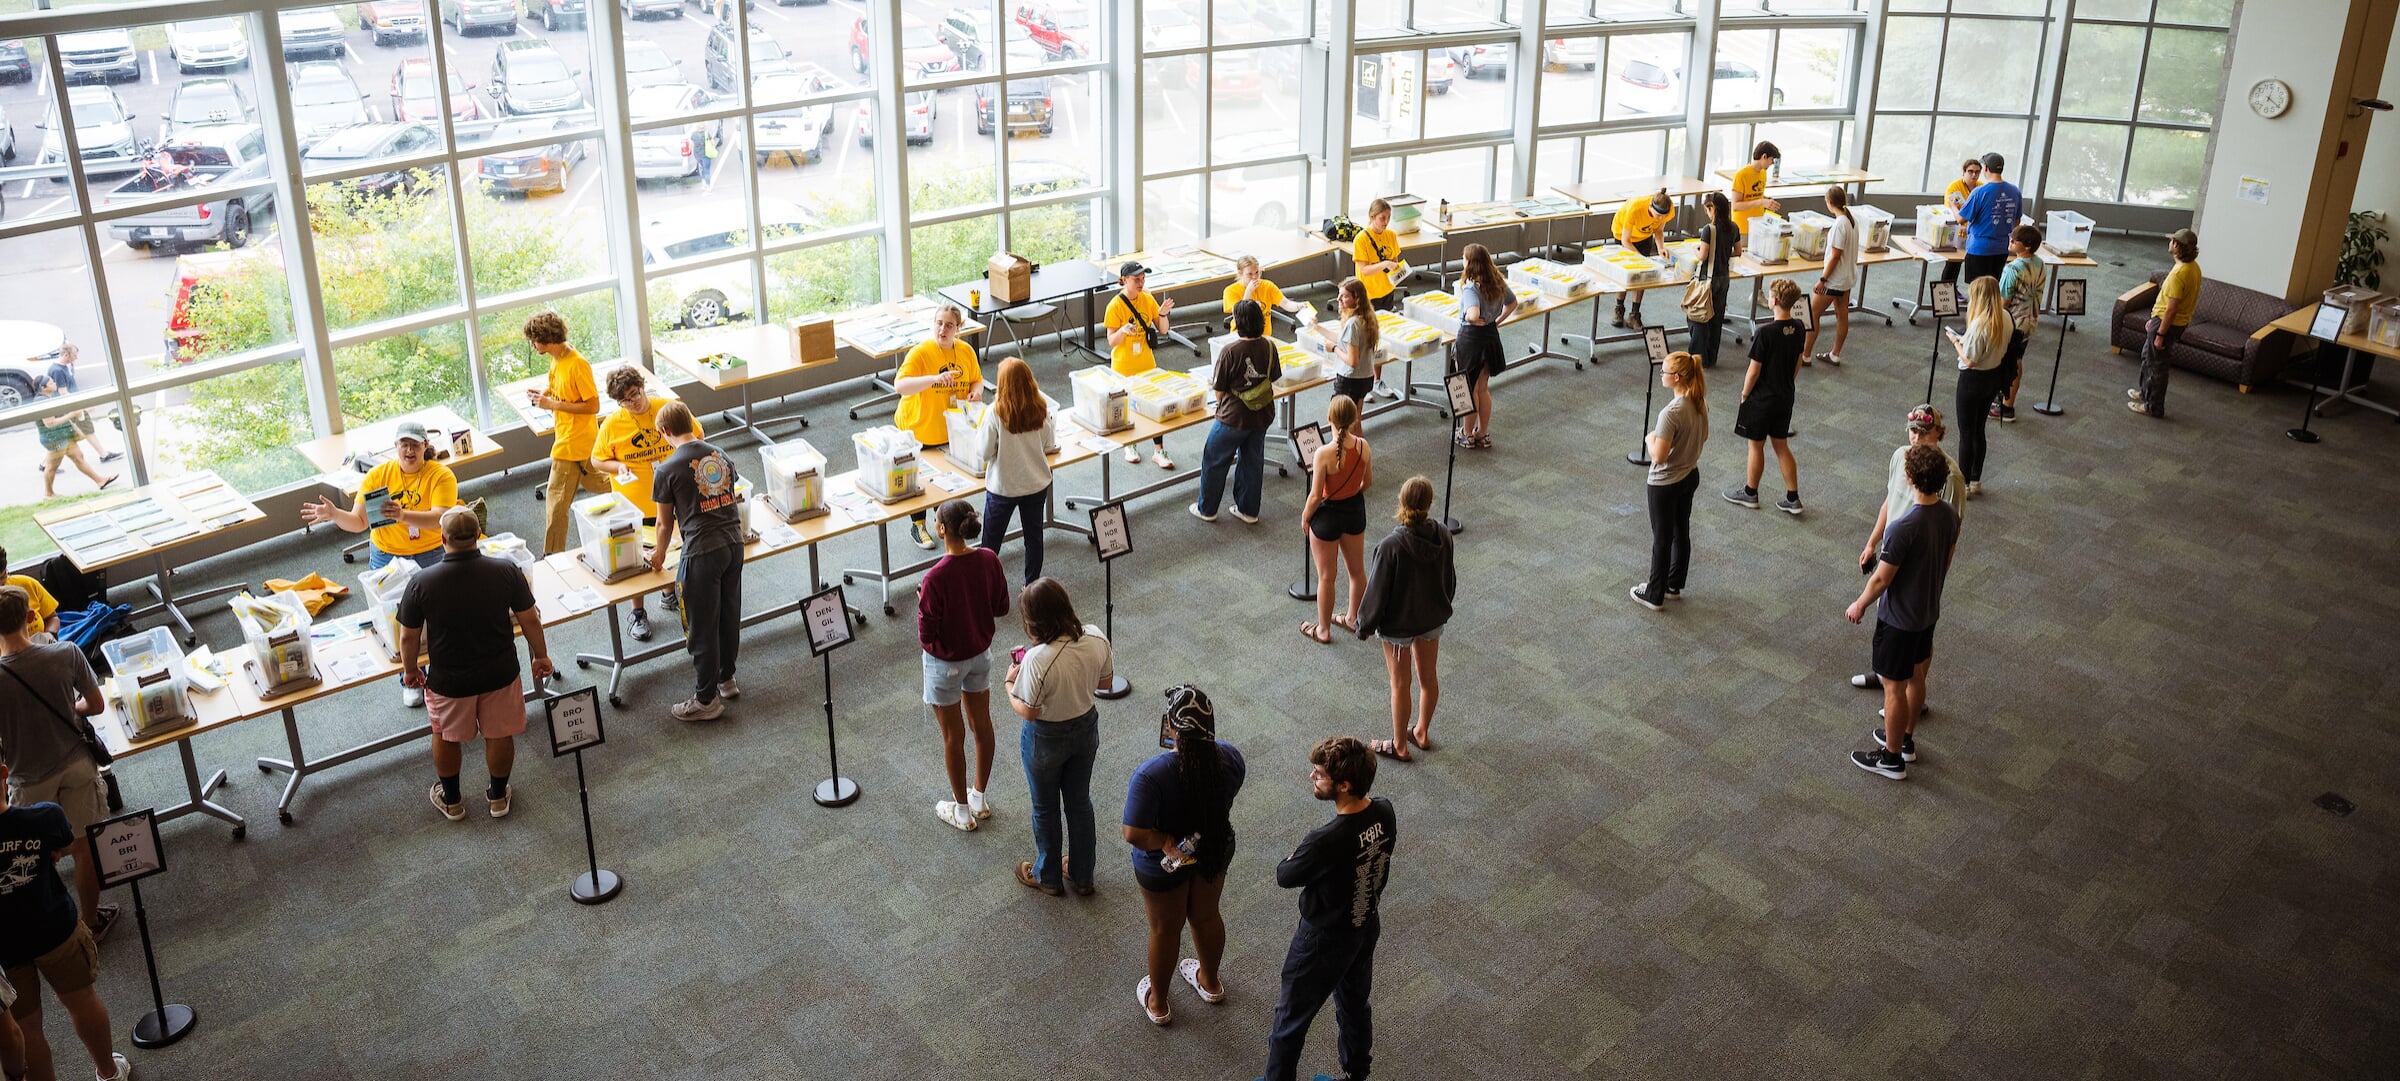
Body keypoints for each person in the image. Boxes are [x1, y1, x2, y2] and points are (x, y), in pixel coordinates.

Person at [398, 507, 554, 821]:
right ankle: (497, 797)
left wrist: (410, 669)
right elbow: (530, 620)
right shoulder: (506, 571)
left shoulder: (421, 582)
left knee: (444, 735)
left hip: (449, 681)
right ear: (478, 536)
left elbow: (408, 637)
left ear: (442, 538)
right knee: (499, 733)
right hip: (500, 674)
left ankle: (452, 800)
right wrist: (540, 655)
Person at [1261, 736, 1397, 1081]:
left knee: (1290, 1019)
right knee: (1353, 1006)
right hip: (1364, 924)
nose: (1311, 777)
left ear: (1344, 785)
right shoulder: (1384, 810)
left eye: (1319, 774)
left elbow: (1284, 874)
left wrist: (1297, 856)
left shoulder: (1325, 840)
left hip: (1322, 940)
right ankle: (1356, 1073)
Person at [299, 421, 457, 707]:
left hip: (430, 551)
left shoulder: (440, 475)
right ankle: (410, 678)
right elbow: (359, 522)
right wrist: (335, 514)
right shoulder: (378, 476)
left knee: (437, 617)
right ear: (396, 447)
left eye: (415, 445)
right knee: (396, 620)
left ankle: (439, 675)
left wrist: (402, 515)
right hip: (387, 555)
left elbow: (440, 519)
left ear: (425, 447)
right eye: (404, 444)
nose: (409, 450)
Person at [0, 761, 132, 1081]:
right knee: (82, 1000)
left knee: (27, 1028)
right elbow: (62, 846)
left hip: (5, 948)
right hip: (55, 928)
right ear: (4, 772)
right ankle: (109, 1073)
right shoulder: (44, 817)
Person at [1121, 685, 1244, 1026]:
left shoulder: (1151, 775)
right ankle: (1211, 981)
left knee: (1165, 930)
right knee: (1206, 916)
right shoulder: (1231, 758)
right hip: (1214, 848)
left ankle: (1158, 1003)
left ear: (1172, 729)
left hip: (1164, 867)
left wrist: (1164, 841)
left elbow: (1133, 833)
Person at [0, 586, 115, 948]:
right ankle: (92, 921)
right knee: (85, 849)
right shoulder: (66, 653)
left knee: (34, 857)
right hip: (76, 765)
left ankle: (50, 929)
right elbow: (94, 705)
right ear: (30, 618)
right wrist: (71, 710)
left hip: (27, 781)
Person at [1845, 443, 1961, 780]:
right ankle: (1906, 741)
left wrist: (1859, 604)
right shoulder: (1949, 515)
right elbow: (1946, 560)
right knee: (1916, 677)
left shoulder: (1903, 528)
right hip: (1927, 613)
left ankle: (1891, 758)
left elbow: (1881, 579)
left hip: (1898, 620)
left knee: (1893, 688)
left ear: (1910, 478)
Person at [1004, 578, 1111, 897]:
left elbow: (1029, 711)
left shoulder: (1036, 659)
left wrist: (1010, 685)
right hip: (1085, 728)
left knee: (1045, 807)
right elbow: (1104, 684)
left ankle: (1047, 876)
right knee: (1079, 802)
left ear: (1032, 621)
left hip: (1045, 738)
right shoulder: (1095, 636)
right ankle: (1082, 874)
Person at [1850, 405, 1966, 698]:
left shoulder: (1949, 476)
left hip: (1920, 564)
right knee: (1889, 620)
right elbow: (1890, 501)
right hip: (1895, 550)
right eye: (1913, 432)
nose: (1917, 438)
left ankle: (1909, 696)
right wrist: (1872, 542)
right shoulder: (1900, 457)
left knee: (1915, 630)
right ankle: (1887, 675)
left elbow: (1952, 531)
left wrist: (1937, 577)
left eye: (1924, 433)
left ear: (1938, 433)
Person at [648, 401, 745, 723]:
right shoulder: (720, 454)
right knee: (728, 615)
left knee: (701, 627)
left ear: (665, 432)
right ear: (691, 422)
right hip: (733, 543)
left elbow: (663, 524)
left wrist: (659, 555)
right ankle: (726, 679)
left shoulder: (667, 469)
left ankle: (706, 700)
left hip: (702, 553)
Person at [918, 500, 1009, 833]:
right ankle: (979, 798)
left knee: (952, 737)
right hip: (981, 657)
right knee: (981, 726)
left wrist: (921, 604)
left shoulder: (934, 578)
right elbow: (1001, 606)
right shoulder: (989, 559)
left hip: (945, 666)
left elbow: (927, 636)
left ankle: (960, 811)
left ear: (941, 529)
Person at [1355, 477, 1454, 762]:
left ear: (1401, 502)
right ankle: (1421, 731)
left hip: (1398, 626)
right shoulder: (1444, 535)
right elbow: (1449, 577)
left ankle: (1399, 744)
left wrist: (1363, 626)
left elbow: (1376, 591)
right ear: (1430, 504)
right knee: (1428, 678)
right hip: (1432, 619)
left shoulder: (1390, 545)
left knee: (1400, 683)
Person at [591, 366, 691, 643]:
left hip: (673, 497)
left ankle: (669, 592)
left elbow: (695, 437)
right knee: (636, 558)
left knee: (674, 546)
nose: (633, 402)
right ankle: (637, 612)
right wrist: (618, 466)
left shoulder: (667, 408)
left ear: (643, 386)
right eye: (625, 400)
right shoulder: (612, 424)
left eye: (635, 394)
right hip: (635, 504)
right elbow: (596, 460)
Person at [895, 304, 984, 549]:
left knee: (944, 479)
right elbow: (900, 386)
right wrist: (933, 379)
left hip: (949, 429)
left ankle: (942, 521)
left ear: (958, 328)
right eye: (938, 323)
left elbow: (977, 380)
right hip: (920, 427)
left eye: (948, 325)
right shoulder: (920, 353)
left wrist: (975, 394)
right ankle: (918, 524)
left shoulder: (965, 351)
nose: (942, 329)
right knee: (919, 481)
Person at [527, 311, 609, 557]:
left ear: (547, 338)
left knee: (556, 503)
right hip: (573, 440)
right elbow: (559, 387)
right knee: (605, 483)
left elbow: (593, 406)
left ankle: (552, 556)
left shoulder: (577, 363)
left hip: (573, 443)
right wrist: (544, 394)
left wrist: (551, 404)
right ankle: (647, 499)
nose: (532, 344)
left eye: (535, 340)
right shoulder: (557, 358)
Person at [1632, 351, 1708, 610]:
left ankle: (1654, 593)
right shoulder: (1699, 402)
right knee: (1680, 532)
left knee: (1661, 539)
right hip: (1689, 475)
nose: (1661, 375)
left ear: (1676, 377)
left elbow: (1660, 456)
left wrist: (1650, 439)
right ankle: (1674, 584)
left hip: (1664, 483)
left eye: (1664, 372)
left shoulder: (1671, 412)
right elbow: (1704, 436)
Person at [1725, 278, 1806, 516]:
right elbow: (1798, 360)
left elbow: (1754, 369)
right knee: (1781, 445)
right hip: (1785, 395)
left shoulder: (1764, 333)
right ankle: (1793, 497)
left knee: (1756, 444)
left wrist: (1744, 394)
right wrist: (1788, 381)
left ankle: (1751, 492)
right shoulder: (1799, 327)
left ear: (1775, 301)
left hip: (1762, 399)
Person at [1193, 300, 1276, 524]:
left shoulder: (1230, 350)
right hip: (1262, 414)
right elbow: (1273, 376)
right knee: (1252, 460)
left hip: (1233, 418)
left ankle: (1207, 509)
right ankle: (1248, 510)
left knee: (1214, 459)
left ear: (1238, 322)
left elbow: (1219, 391)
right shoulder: (1269, 345)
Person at [1300, 395, 1371, 644]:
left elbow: (1316, 496)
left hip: (1327, 517)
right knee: (1357, 571)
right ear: (1355, 420)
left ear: (1329, 418)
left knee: (1327, 577)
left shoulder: (1323, 454)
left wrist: (1305, 517)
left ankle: (1323, 630)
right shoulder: (1363, 446)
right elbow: (1367, 483)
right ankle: (1353, 618)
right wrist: (1351, 492)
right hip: (1354, 512)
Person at [977, 358, 1053, 582]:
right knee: (1034, 538)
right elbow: (1049, 444)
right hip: (1036, 484)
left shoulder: (995, 412)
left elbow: (983, 451)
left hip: (1004, 488)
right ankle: (1032, 586)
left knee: (990, 544)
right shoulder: (1040, 408)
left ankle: (986, 589)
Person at [1103, 261, 1176, 469]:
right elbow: (1111, 340)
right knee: (1128, 407)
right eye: (1137, 279)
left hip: (1147, 364)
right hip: (1124, 366)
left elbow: (1162, 329)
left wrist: (1162, 314)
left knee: (1155, 406)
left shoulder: (1147, 298)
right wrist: (1123, 331)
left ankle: (1159, 450)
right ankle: (1130, 444)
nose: (1141, 283)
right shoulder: (1115, 306)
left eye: (1143, 279)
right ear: (1124, 280)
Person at [1948, 276, 2011, 496]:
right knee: (1979, 429)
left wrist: (1956, 342)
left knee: (1966, 432)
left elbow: (1969, 360)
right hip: (1993, 378)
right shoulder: (2005, 317)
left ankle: (1963, 484)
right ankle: (1975, 479)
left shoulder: (1979, 324)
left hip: (1971, 380)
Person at [1451, 243, 1517, 449]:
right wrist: (1497, 320)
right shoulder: (1497, 281)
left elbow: (1472, 314)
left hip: (1471, 340)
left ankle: (1467, 433)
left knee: (1466, 387)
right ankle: (1482, 432)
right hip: (1490, 336)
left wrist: (1472, 319)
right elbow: (1512, 303)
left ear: (1470, 263)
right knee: (1482, 388)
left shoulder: (1471, 287)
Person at [2132, 228, 2201, 419]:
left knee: (2157, 365)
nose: (2169, 242)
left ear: (2177, 245)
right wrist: (2154, 320)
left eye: (2172, 240)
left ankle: (2152, 406)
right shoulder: (2193, 267)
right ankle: (2145, 392)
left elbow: (2171, 308)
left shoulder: (2180, 273)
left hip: (2167, 324)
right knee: (2148, 357)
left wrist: (2160, 333)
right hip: (2164, 321)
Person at [1350, 199, 1405, 399]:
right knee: (1364, 340)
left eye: (1389, 218)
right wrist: (1385, 265)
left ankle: (1376, 380)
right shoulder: (1361, 239)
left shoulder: (1391, 235)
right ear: (1372, 217)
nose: (1386, 222)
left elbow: (1395, 262)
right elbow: (1364, 269)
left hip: (1387, 292)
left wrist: (1396, 270)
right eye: (1383, 218)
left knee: (1380, 339)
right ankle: (1362, 383)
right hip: (1368, 295)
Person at [30, 374, 115, 499]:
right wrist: (71, 415)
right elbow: (50, 423)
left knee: (79, 457)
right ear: (43, 387)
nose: (54, 383)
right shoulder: (42, 402)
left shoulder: (49, 398)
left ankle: (100, 480)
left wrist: (75, 430)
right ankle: (48, 494)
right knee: (52, 467)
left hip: (62, 436)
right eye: (51, 382)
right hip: (54, 439)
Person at [1993, 224, 2046, 423]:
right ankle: (2007, 400)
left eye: (2015, 241)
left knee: (2010, 362)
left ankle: (2006, 407)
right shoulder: (2039, 263)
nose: (2011, 242)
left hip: (2013, 322)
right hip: (2030, 320)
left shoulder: (2013, 268)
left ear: (2027, 246)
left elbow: (2004, 300)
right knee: (2017, 359)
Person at [1804, 185, 1860, 367]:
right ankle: (1835, 354)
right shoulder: (1852, 220)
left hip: (1834, 280)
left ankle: (1805, 355)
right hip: (1847, 278)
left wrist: (1822, 280)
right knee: (1841, 314)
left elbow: (1835, 256)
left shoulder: (1839, 225)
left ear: (1829, 203)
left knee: (1812, 314)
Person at [41, 345, 120, 463]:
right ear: (66, 355)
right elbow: (63, 392)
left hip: (72, 405)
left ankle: (44, 465)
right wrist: (83, 405)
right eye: (74, 355)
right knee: (86, 429)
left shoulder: (62, 366)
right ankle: (103, 455)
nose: (76, 357)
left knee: (68, 436)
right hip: (71, 406)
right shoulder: (57, 370)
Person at [1685, 191, 1737, 370]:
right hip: (1724, 277)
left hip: (1707, 278)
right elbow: (1737, 251)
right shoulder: (1733, 227)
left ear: (1712, 209)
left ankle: (1696, 358)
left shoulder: (1709, 229)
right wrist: (1722, 253)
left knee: (1699, 316)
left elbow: (1703, 255)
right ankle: (1710, 357)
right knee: (1716, 317)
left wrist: (1696, 249)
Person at [1954, 152, 2021, 285]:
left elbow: (1961, 219)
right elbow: (2017, 222)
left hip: (1979, 248)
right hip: (2002, 248)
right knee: (1993, 288)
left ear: (1985, 168)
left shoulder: (1979, 192)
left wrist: (1953, 207)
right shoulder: (2015, 191)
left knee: (1977, 290)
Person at [1610, 190, 1674, 329]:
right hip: (1624, 236)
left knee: (1642, 275)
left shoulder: (1668, 211)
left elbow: (1658, 230)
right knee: (1626, 272)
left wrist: (1660, 248)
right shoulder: (1636, 208)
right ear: (1650, 207)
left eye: (1662, 217)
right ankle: (1619, 307)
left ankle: (1634, 314)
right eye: (1657, 215)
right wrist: (1640, 259)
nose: (1658, 219)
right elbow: (1625, 240)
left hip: (1644, 236)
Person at [1322, 277, 1383, 406]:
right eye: (1339, 295)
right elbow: (1342, 338)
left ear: (1356, 299)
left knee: (1341, 420)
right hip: (1365, 377)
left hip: (1350, 380)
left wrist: (1334, 348)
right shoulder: (1367, 318)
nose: (1338, 299)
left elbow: (1352, 361)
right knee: (1356, 419)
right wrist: (1317, 327)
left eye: (1344, 296)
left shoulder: (1352, 324)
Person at [1222, 254, 1307, 325]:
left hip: (1264, 336)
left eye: (1257, 272)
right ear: (1240, 274)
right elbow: (1239, 314)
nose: (1254, 277)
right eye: (1250, 274)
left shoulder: (1267, 285)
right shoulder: (1230, 291)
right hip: (1241, 336)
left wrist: (1298, 306)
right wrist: (1248, 292)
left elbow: (1285, 303)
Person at [1728, 141, 1782, 254]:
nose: (1772, 164)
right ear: (1764, 156)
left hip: (1758, 226)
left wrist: (1767, 202)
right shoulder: (1741, 175)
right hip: (1742, 228)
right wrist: (1762, 202)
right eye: (1771, 160)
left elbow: (1757, 195)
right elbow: (1736, 205)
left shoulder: (1762, 173)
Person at [1938, 157, 1982, 286]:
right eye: (1970, 171)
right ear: (1964, 172)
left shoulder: (1981, 187)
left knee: (1974, 263)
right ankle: (1947, 291)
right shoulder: (1954, 187)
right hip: (1958, 231)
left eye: (1977, 172)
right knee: (1953, 263)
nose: (1974, 175)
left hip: (1974, 232)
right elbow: (1951, 211)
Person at [0, 547, 60, 638]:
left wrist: (49, 636)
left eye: (2, 577)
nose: (1, 586)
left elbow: (52, 617)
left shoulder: (27, 584)